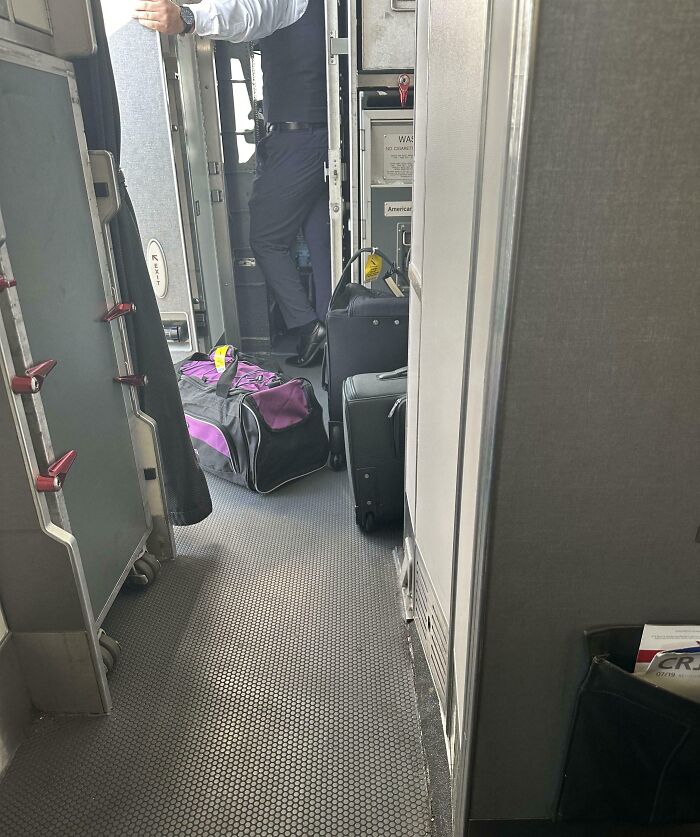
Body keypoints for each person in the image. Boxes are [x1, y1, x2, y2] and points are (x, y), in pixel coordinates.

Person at [133, 0, 330, 366]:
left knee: (266, 240)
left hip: (296, 140)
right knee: (320, 240)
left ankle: (308, 328)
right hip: (322, 136)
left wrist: (188, 18)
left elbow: (249, 13)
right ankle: (332, 338)